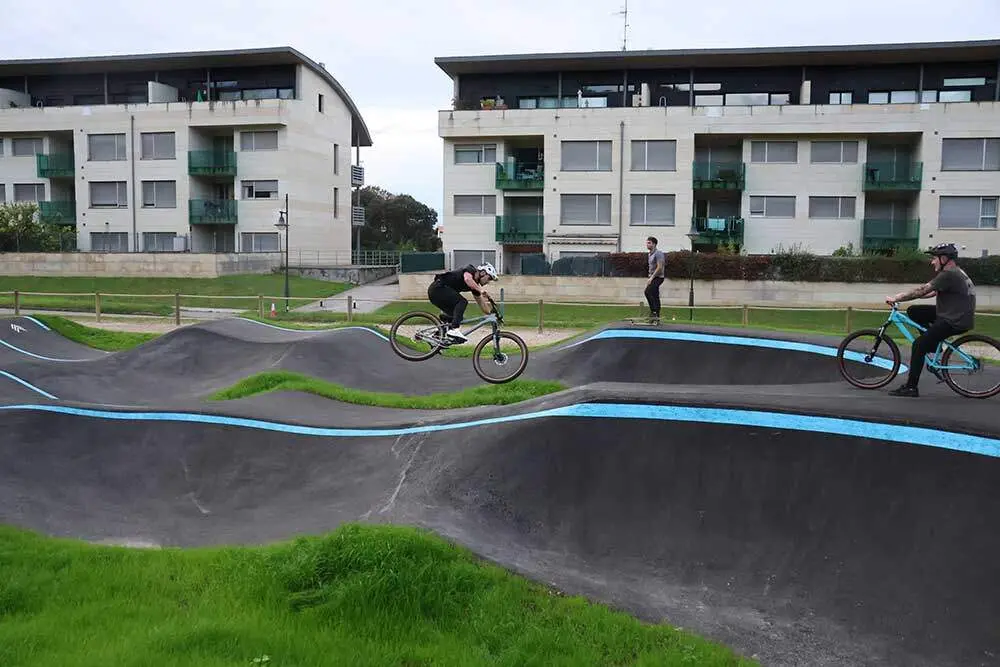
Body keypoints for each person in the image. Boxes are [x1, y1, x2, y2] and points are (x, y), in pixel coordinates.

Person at [884, 242, 976, 397]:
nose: (932, 262)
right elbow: (931, 293)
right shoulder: (956, 273)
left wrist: (897, 297)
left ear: (944, 258)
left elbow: (923, 290)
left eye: (934, 258)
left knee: (918, 346)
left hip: (953, 320)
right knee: (914, 311)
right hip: (953, 315)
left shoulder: (949, 274)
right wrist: (908, 298)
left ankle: (911, 387)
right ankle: (932, 345)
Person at [427, 262, 498, 343]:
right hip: (437, 289)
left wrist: (492, 314)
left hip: (440, 294)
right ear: (483, 273)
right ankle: (454, 330)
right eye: (489, 278)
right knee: (462, 302)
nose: (488, 282)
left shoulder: (475, 286)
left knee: (457, 316)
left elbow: (482, 304)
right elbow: (467, 279)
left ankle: (437, 337)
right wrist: (481, 290)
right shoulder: (470, 269)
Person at [645, 236, 666, 323]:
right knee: (655, 295)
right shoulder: (650, 254)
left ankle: (653, 312)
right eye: (647, 243)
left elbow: (660, 267)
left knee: (647, 292)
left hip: (658, 277)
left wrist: (652, 278)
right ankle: (656, 316)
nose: (647, 244)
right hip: (652, 277)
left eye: (649, 243)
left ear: (654, 244)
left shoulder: (658, 253)